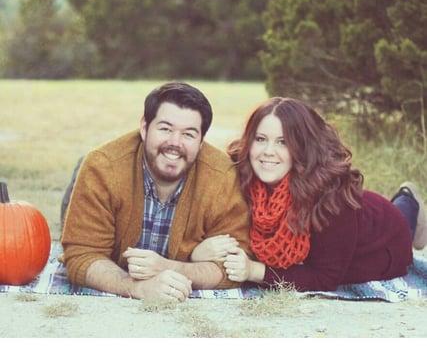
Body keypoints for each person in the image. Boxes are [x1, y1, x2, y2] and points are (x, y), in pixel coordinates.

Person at [190, 97, 427, 292]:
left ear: (303, 147)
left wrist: (254, 270)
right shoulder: (240, 174)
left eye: (283, 142)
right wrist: (198, 250)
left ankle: (410, 198)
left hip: (382, 233)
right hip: (362, 215)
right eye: (260, 139)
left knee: (402, 219)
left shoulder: (332, 197)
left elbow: (324, 278)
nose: (268, 152)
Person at [61, 82, 250, 302]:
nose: (174, 143)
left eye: (188, 134)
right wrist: (137, 288)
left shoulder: (222, 176)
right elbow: (81, 254)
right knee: (84, 176)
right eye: (165, 129)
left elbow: (234, 267)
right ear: (144, 128)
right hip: (95, 195)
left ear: (201, 142)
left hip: (174, 261)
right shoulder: (102, 167)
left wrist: (169, 267)